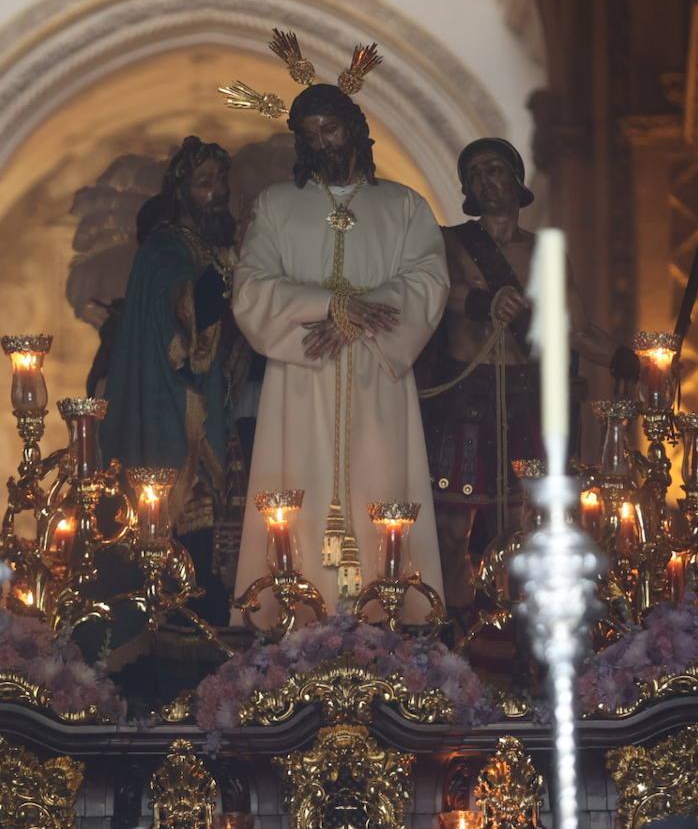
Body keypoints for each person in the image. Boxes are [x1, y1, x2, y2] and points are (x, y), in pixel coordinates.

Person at [230, 84, 450, 621]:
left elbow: (427, 281)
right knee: (296, 483)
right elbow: (252, 287)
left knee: (383, 482)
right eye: (310, 135)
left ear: (354, 126)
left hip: (378, 376)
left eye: (330, 128)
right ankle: (292, 620)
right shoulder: (277, 204)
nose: (323, 143)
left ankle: (391, 617)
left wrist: (358, 318)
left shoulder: (404, 206)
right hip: (302, 374)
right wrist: (333, 306)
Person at [420, 137, 638, 615]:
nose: (485, 179)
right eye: (474, 173)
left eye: (495, 168)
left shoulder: (546, 253)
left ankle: (512, 636)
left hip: (524, 399)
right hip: (463, 397)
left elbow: (576, 331)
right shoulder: (449, 242)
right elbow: (431, 295)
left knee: (521, 526)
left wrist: (623, 357)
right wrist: (481, 302)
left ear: (516, 180)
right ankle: (454, 632)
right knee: (450, 528)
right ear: (466, 189)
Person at [99, 136, 252, 624]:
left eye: (222, 180)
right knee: (188, 541)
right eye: (204, 183)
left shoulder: (211, 246)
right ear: (181, 190)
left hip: (223, 405)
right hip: (177, 410)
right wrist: (230, 264)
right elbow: (183, 312)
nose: (218, 192)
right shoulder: (166, 247)